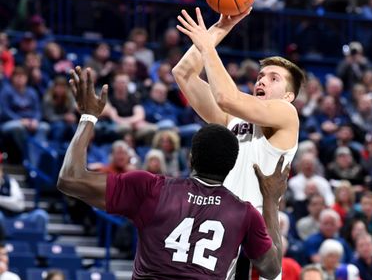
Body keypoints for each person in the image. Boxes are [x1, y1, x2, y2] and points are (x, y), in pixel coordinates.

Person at [57, 66, 289, 279]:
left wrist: (88, 116)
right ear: (231, 167)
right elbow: (272, 269)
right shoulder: (245, 213)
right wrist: (270, 200)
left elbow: (69, 179)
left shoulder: (152, 189)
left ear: (190, 158)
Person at [173, 6, 304, 280]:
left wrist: (208, 47)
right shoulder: (232, 118)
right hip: (215, 230)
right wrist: (222, 26)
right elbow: (183, 74)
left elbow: (227, 97)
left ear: (289, 96)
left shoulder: (286, 113)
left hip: (254, 238)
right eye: (260, 76)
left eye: (273, 78)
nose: (262, 80)